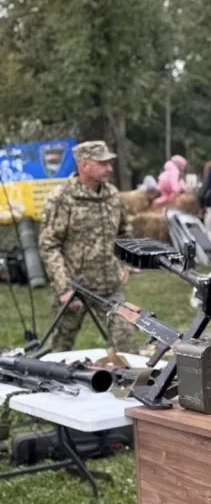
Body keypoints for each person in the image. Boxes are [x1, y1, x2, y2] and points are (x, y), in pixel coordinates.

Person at [37, 141, 138, 353]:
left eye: (110, 163)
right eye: (102, 163)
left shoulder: (112, 195)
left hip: (109, 287)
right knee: (58, 350)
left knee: (126, 345)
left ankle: (122, 374)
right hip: (75, 287)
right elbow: (49, 245)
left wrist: (127, 263)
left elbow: (124, 233)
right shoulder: (62, 198)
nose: (109, 168)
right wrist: (63, 288)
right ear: (84, 165)